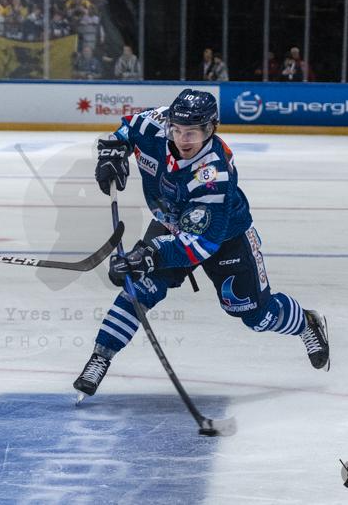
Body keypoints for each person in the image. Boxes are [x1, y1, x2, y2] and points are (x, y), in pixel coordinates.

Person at [73, 89, 330, 398]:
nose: (183, 139)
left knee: (254, 314)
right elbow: (126, 130)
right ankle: (100, 357)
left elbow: (201, 242)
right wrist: (113, 153)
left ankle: (306, 323)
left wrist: (149, 256)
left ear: (210, 129)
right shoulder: (154, 123)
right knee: (138, 288)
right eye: (178, 130)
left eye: (192, 133)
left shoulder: (213, 173)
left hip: (224, 237)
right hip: (172, 222)